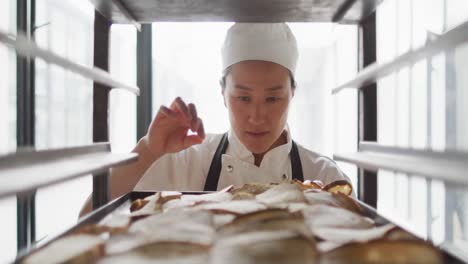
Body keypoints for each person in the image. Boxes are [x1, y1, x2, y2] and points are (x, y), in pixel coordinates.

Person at [80, 23, 351, 216]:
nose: (256, 117)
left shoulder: (324, 176)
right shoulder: (186, 161)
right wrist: (148, 149)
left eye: (273, 98)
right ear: (223, 93)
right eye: (243, 98)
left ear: (293, 93)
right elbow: (88, 218)